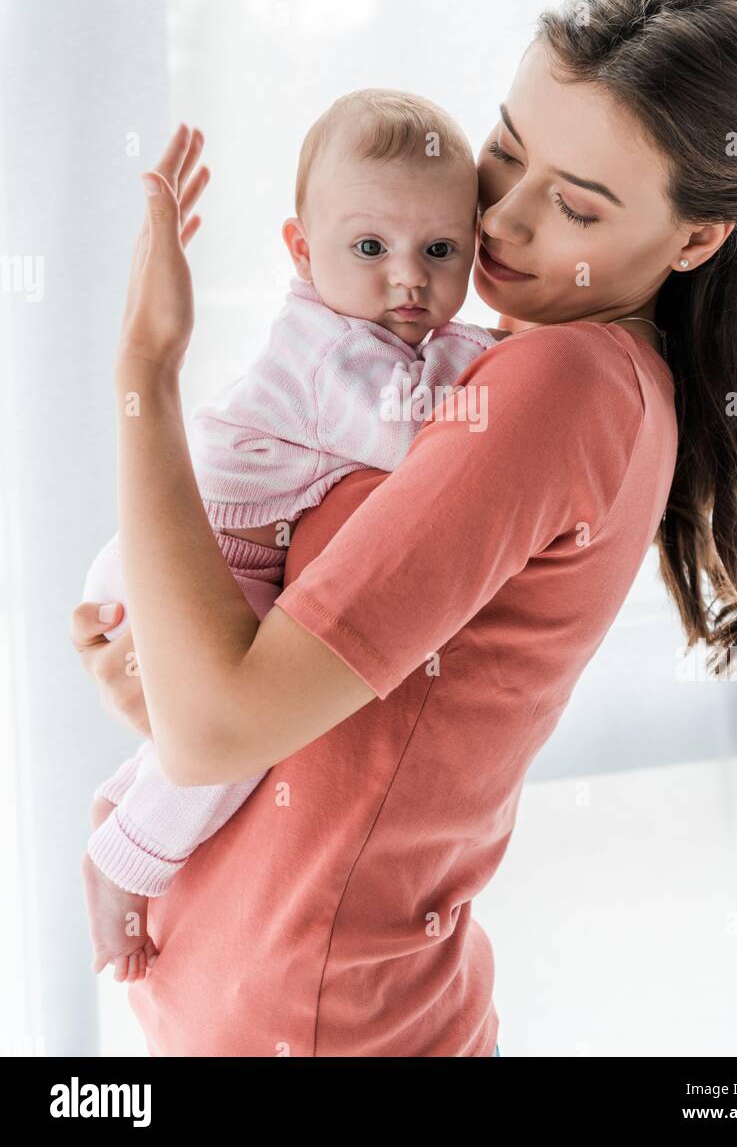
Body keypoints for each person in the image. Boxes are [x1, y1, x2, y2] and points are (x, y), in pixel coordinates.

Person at [71, 0, 737, 1058]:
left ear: (696, 239)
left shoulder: (554, 386)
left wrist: (145, 365)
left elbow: (217, 724)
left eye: (575, 203)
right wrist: (181, 672)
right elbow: (346, 723)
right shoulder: (537, 374)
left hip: (317, 1021)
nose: (502, 215)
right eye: (507, 149)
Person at [79, 88, 501, 979]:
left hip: (222, 555)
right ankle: (122, 860)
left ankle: (125, 800)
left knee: (232, 722)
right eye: (369, 248)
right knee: (241, 730)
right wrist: (514, 356)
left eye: (440, 250)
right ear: (302, 253)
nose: (407, 278)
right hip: (203, 559)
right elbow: (417, 430)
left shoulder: (389, 331)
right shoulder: (329, 352)